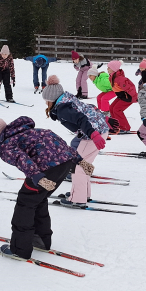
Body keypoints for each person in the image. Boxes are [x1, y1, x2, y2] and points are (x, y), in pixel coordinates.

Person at [0, 116, 94, 261]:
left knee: (25, 203)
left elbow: (21, 159)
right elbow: (57, 142)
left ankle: (19, 250)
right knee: (38, 199)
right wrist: (79, 160)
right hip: (64, 165)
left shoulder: (5, 145)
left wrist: (37, 177)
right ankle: (40, 240)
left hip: (45, 172)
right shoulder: (31, 132)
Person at [41, 75, 117, 207]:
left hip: (93, 135)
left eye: (46, 100)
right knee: (83, 164)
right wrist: (104, 120)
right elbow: (88, 108)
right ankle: (82, 193)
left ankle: (77, 199)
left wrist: (93, 134)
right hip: (96, 132)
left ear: (51, 99)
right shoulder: (67, 99)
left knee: (78, 167)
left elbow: (81, 118)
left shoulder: (62, 109)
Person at [107, 60, 137, 134]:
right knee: (112, 108)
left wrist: (135, 97)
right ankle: (116, 126)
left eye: (109, 67)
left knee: (117, 109)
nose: (107, 69)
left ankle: (125, 128)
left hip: (128, 97)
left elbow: (130, 88)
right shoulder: (113, 76)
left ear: (113, 69)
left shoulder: (119, 78)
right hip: (121, 96)